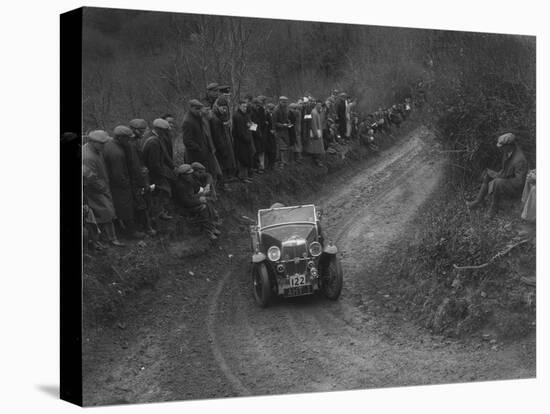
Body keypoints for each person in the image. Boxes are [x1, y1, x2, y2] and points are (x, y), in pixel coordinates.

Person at [466, 133, 528, 216]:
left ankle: (494, 207)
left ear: (509, 145)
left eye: (502, 147)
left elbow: (519, 183)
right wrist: (496, 174)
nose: (501, 149)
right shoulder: (508, 152)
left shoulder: (519, 159)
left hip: (516, 188)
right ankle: (478, 201)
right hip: (508, 178)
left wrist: (501, 178)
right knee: (488, 175)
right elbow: (506, 169)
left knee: (497, 182)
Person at [82, 130, 124, 247]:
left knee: (104, 213)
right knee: (106, 212)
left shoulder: (96, 150)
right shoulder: (88, 157)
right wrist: (103, 188)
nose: (104, 145)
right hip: (95, 190)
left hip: (101, 186)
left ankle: (105, 238)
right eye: (102, 143)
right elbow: (91, 178)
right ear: (93, 142)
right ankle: (109, 239)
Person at [103, 125, 145, 239]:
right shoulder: (116, 153)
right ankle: (131, 232)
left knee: (120, 206)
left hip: (113, 182)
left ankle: (121, 229)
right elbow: (118, 174)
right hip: (119, 184)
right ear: (120, 138)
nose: (129, 140)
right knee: (125, 207)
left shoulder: (112, 144)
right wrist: (126, 184)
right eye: (127, 138)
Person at [173, 164, 221, 241]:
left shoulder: (189, 179)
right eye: (188, 174)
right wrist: (199, 200)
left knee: (208, 201)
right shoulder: (180, 186)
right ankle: (208, 232)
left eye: (190, 174)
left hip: (192, 199)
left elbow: (206, 177)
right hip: (185, 206)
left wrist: (206, 188)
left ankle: (212, 226)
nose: (190, 175)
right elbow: (186, 202)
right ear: (182, 175)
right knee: (204, 207)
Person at [142, 118, 176, 224]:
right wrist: (164, 174)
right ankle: (156, 215)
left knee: (163, 191)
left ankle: (160, 212)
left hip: (157, 169)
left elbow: (165, 155)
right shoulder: (153, 141)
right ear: (159, 130)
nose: (167, 133)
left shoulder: (157, 137)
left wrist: (173, 167)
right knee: (163, 190)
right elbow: (154, 164)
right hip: (153, 173)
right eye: (165, 131)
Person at [128, 119, 156, 236]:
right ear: (134, 130)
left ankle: (147, 224)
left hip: (141, 175)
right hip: (136, 178)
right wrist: (143, 181)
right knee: (141, 203)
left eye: (144, 130)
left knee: (146, 201)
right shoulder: (131, 144)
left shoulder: (136, 141)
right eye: (141, 130)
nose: (143, 133)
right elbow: (135, 165)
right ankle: (146, 227)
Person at [210, 96, 238, 181]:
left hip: (224, 141)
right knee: (223, 162)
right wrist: (222, 147)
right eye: (223, 108)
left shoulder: (220, 116)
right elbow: (217, 136)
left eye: (226, 109)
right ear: (218, 106)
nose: (225, 110)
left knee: (227, 159)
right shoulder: (215, 119)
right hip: (220, 144)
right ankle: (225, 180)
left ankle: (229, 176)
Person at [232, 99, 255, 183]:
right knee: (242, 158)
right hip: (241, 142)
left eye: (246, 106)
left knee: (247, 158)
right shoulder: (237, 116)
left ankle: (245, 176)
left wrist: (251, 126)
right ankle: (242, 177)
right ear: (239, 106)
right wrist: (247, 139)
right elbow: (239, 131)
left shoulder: (245, 115)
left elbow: (250, 126)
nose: (245, 108)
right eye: (243, 106)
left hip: (247, 140)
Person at [273, 96, 292, 168]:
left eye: (286, 102)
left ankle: (284, 161)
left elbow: (286, 118)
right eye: (283, 102)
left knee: (286, 145)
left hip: (285, 130)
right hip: (279, 131)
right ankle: (280, 163)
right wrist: (283, 125)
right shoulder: (276, 110)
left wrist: (288, 122)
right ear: (280, 101)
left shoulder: (285, 109)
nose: (285, 104)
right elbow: (274, 123)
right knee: (281, 147)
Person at [308, 100, 326, 167]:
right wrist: (315, 133)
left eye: (321, 105)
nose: (320, 106)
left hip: (318, 131)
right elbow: (313, 124)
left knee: (318, 146)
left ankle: (318, 159)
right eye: (319, 105)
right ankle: (316, 160)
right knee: (316, 147)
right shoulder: (314, 112)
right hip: (316, 132)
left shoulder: (317, 112)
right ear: (316, 105)